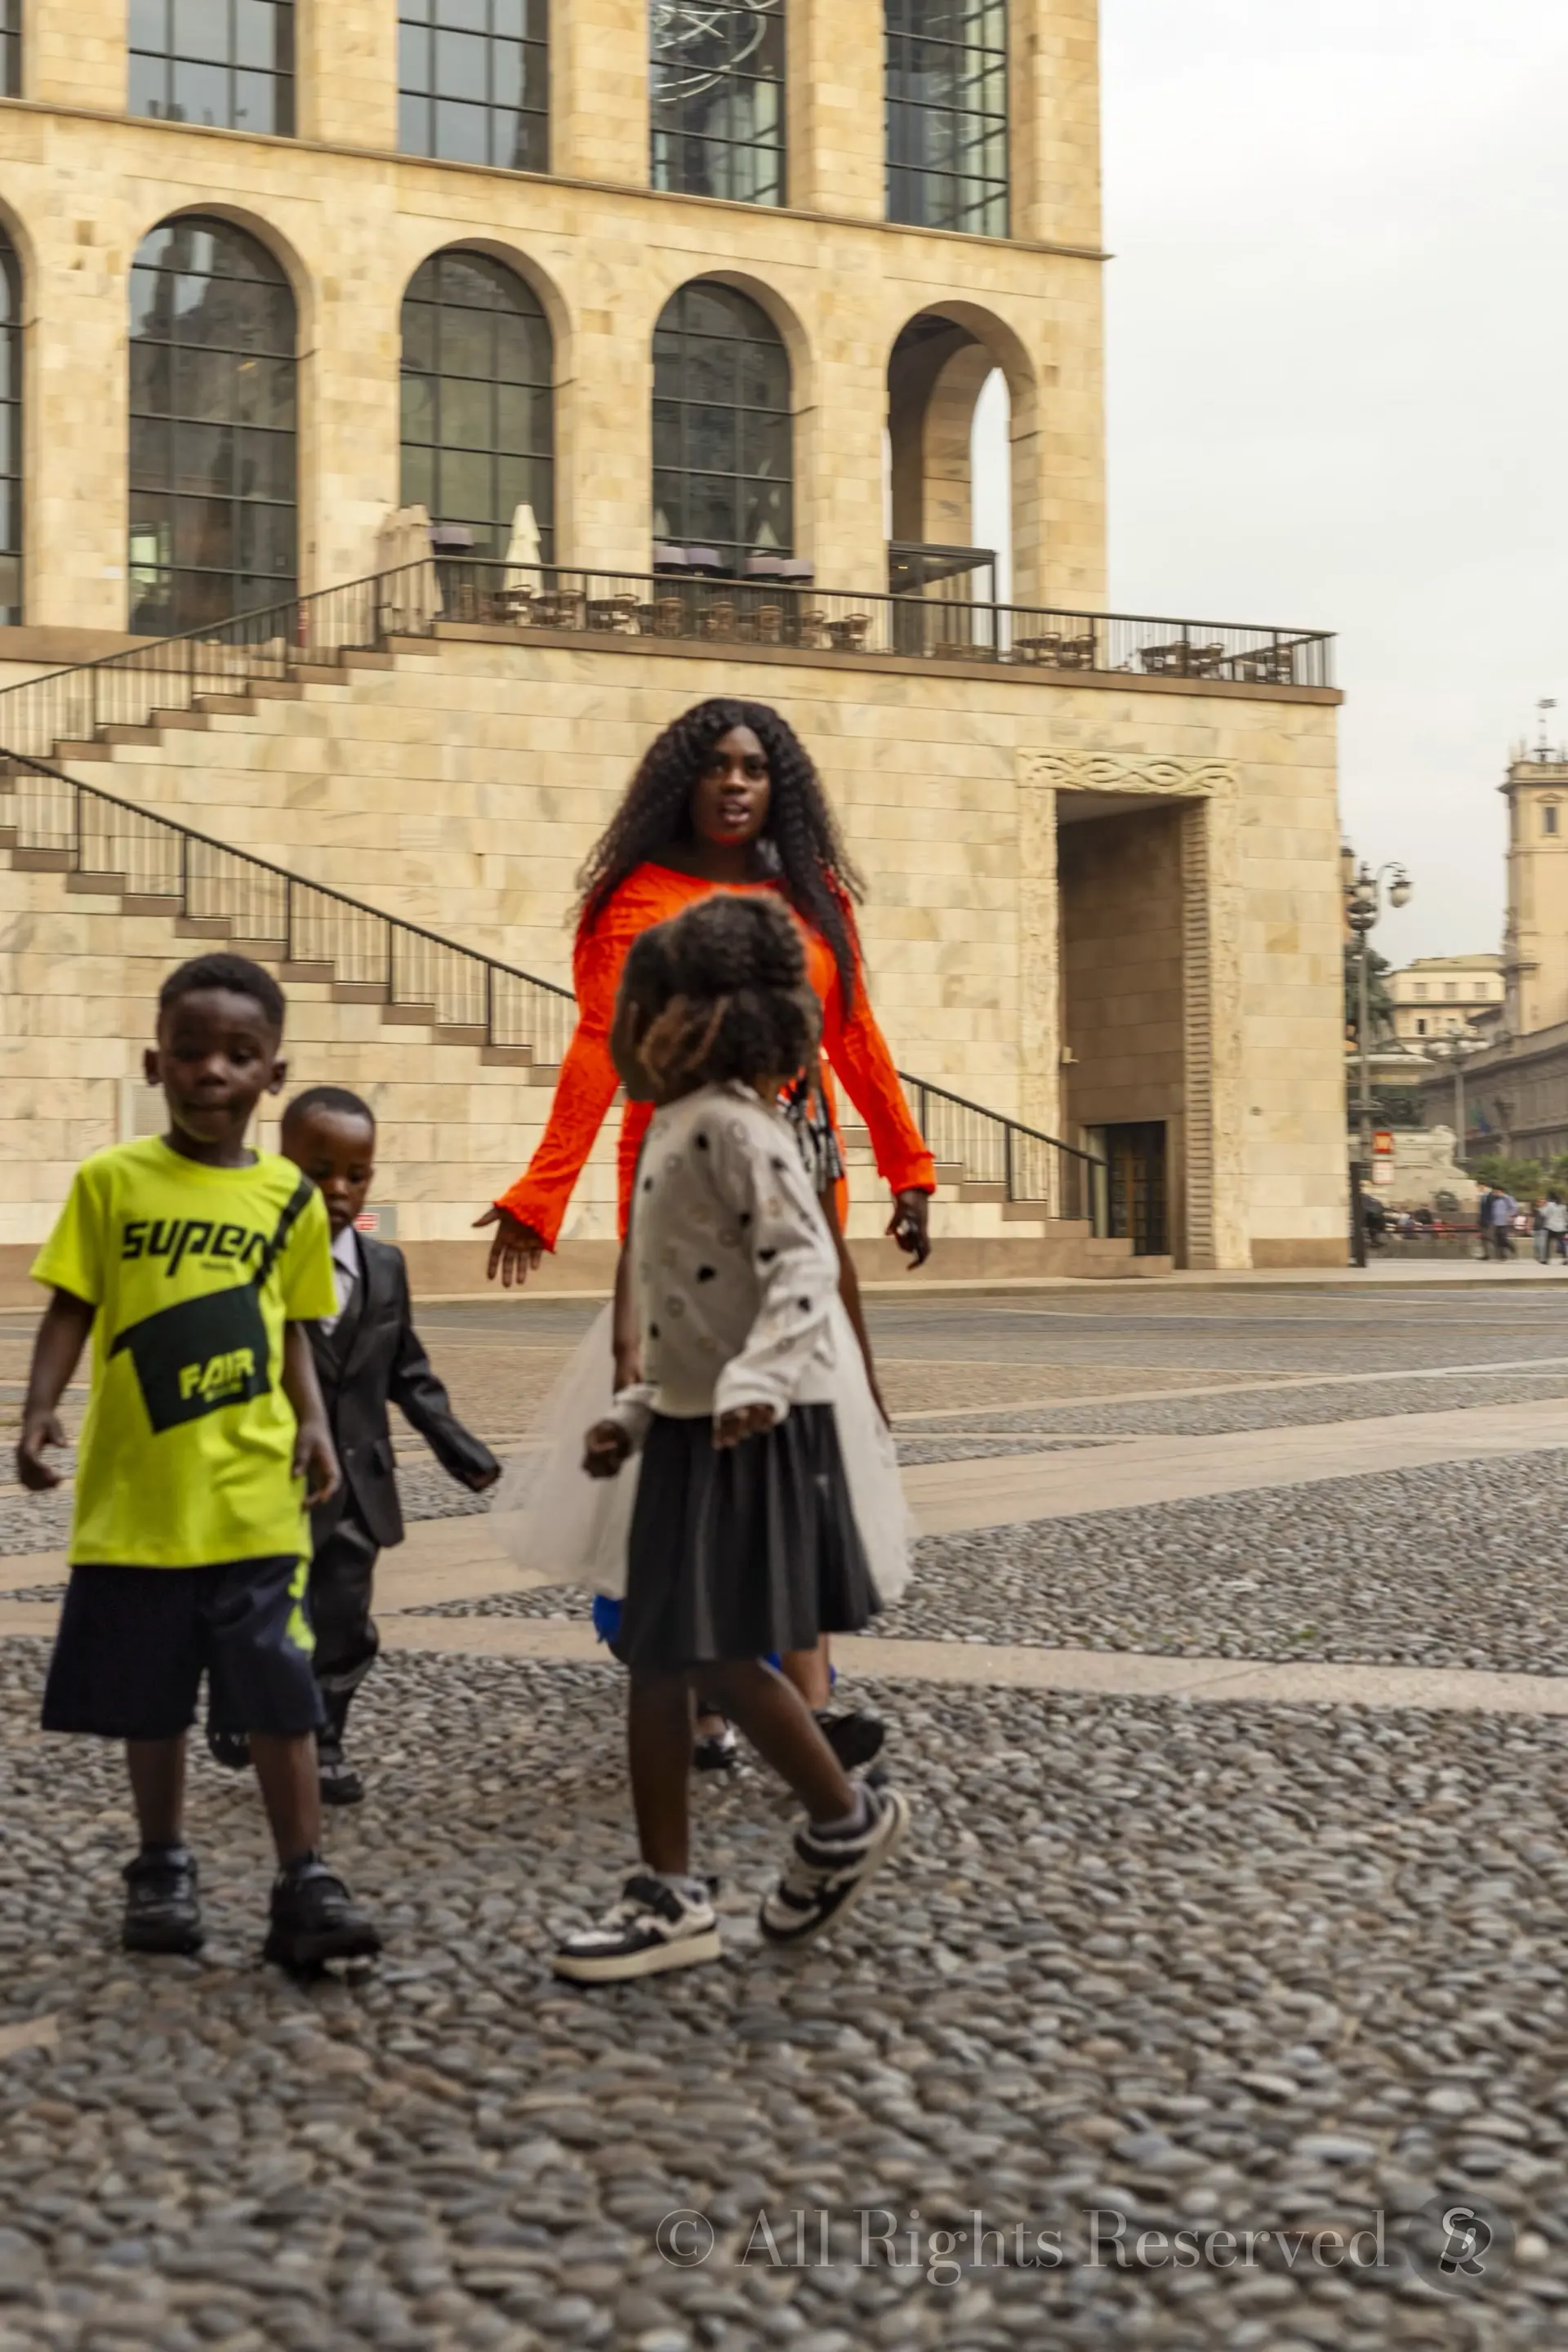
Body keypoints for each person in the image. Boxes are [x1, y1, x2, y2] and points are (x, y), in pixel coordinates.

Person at [551, 894, 911, 1983]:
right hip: (686, 1422)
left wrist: (753, 1382)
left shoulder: (735, 1126)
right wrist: (631, 1410)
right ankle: (673, 1892)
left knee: (705, 1646)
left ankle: (841, 1819)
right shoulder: (676, 1124)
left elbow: (803, 1268)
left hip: (748, 1429)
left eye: (657, 1002)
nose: (642, 1021)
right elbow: (683, 1304)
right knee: (658, 1657)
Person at [15, 954, 382, 1970]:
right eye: (190, 1051)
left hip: (254, 1492)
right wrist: (41, 1406)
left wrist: (312, 1426)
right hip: (138, 1498)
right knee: (151, 1696)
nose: (211, 1070)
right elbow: (71, 1304)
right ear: (154, 1063)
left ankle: (303, 1874)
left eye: (239, 1055)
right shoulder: (110, 1183)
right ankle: (162, 1864)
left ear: (274, 1073)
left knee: (280, 1688)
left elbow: (297, 1329)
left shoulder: (289, 1201)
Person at [477, 697, 937, 1285]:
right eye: (715, 767)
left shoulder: (814, 896)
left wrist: (908, 1172)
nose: (734, 783)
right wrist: (541, 1192)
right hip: (676, 1155)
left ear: (778, 786)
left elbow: (852, 1033)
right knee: (686, 1350)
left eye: (754, 769)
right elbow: (599, 1045)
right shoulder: (634, 900)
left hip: (800, 1152)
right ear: (684, 783)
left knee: (797, 1336)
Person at [276, 1085, 499, 1804]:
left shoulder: (388, 1269)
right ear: (282, 1167)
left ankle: (326, 1740)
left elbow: (408, 1370)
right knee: (263, 1616)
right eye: (317, 1173)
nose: (338, 1190)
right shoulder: (259, 1261)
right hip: (270, 1480)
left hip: (357, 1485)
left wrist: (455, 1444)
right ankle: (249, 1710)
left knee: (343, 1624)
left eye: (356, 1175)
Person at [1545, 1190, 1568, 1263]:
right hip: (1561, 1227)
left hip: (1551, 1226)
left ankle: (1547, 1258)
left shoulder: (1549, 1205)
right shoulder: (1563, 1207)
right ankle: (1565, 1258)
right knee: (1562, 1243)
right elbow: (1565, 1216)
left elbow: (1547, 1214)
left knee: (1548, 1243)